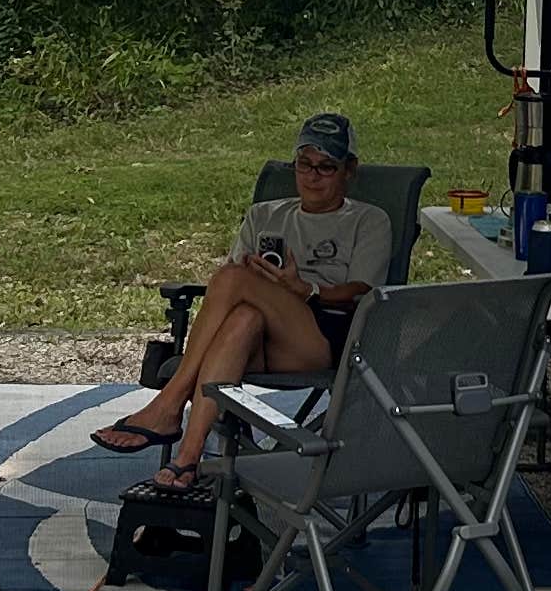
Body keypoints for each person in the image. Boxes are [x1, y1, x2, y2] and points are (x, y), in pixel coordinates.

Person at [93, 113, 378, 491]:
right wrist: (263, 284)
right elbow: (234, 283)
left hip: (321, 335)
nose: (313, 176)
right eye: (304, 164)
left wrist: (304, 289)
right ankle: (188, 458)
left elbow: (365, 290)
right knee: (242, 314)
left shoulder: (368, 220)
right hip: (261, 337)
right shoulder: (265, 215)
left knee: (232, 279)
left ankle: (169, 402)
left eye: (327, 167)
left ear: (349, 170)